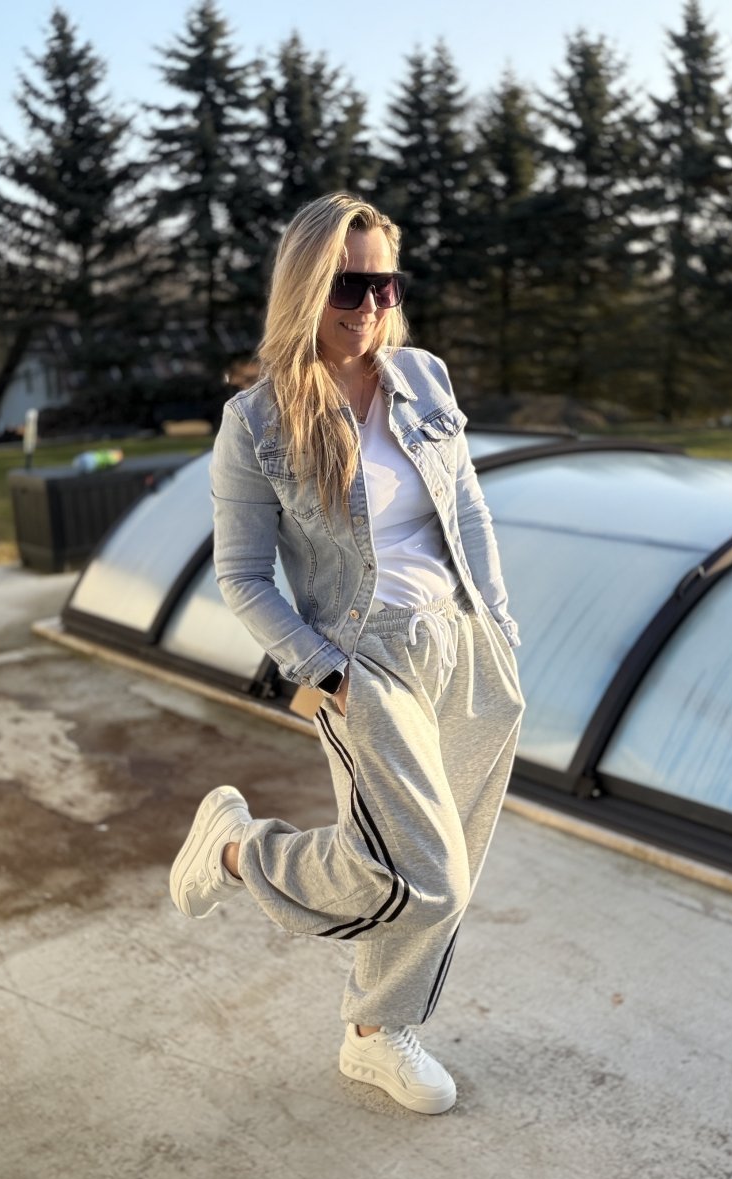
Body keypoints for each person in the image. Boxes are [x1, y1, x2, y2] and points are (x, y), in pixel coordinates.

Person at [169, 192, 525, 1115]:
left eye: (383, 284)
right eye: (347, 285)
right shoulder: (256, 421)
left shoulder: (424, 378)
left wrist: (498, 621)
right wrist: (324, 670)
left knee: (431, 861)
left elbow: (469, 511)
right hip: (365, 659)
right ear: (304, 286)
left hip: (463, 640)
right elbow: (241, 575)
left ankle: (374, 1032)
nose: (369, 305)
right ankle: (237, 850)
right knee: (429, 876)